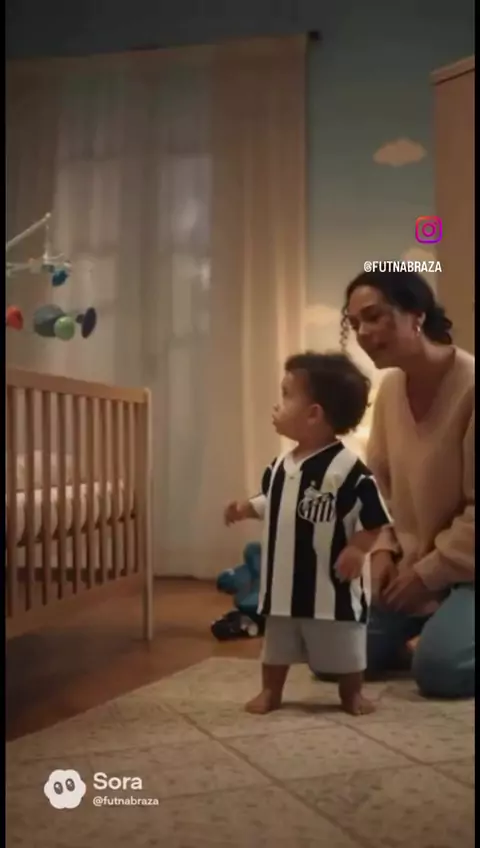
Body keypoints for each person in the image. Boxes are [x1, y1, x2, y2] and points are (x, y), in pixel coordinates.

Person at [224, 351, 392, 716]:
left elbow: (374, 517)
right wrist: (245, 508)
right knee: (277, 645)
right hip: (282, 586)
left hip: (330, 588)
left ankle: (351, 694)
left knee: (344, 646)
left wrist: (357, 549)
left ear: (314, 414)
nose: (277, 405)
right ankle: (271, 691)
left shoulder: (348, 470)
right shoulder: (280, 466)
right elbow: (272, 501)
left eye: (286, 395)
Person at [341, 270, 474, 699]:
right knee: (334, 656)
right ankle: (439, 631)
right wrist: (382, 551)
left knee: (440, 673)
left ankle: (442, 642)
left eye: (373, 316)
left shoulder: (471, 386)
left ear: (416, 315)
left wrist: (428, 573)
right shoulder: (390, 389)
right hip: (416, 566)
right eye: (354, 323)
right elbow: (378, 487)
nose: (363, 332)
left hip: (467, 569)